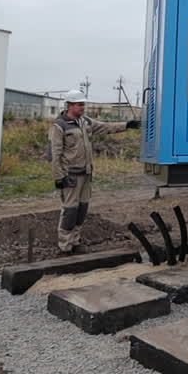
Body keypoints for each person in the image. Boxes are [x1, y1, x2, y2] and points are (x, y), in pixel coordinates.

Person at [49, 90, 141, 255]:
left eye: (83, 104)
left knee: (82, 209)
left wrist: (127, 125)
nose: (83, 107)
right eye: (79, 104)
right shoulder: (59, 126)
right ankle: (64, 246)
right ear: (69, 105)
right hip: (70, 176)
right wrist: (59, 177)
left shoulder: (85, 122)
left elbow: (105, 127)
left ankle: (75, 242)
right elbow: (55, 155)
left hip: (86, 174)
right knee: (70, 210)